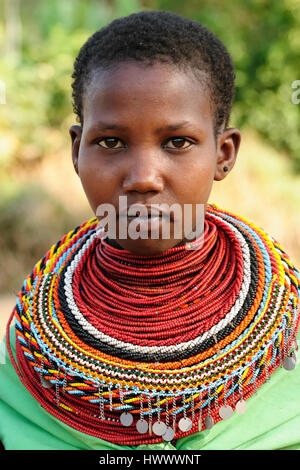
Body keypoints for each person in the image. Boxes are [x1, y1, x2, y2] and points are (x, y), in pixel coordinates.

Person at [0, 10, 299, 451]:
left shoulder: (289, 340)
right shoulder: (23, 358)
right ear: (76, 151)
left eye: (177, 142)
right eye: (111, 142)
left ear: (223, 154)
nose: (143, 177)